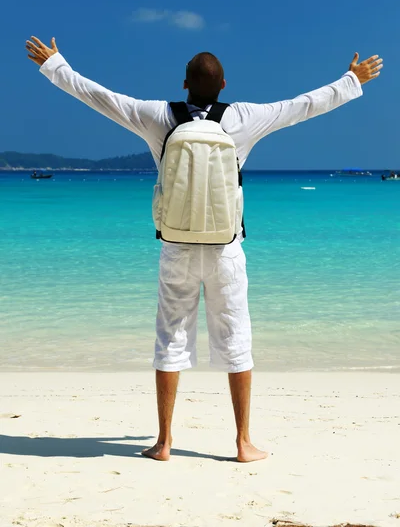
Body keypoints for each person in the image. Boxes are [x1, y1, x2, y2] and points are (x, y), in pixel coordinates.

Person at [26, 36, 383, 462]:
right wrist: (351, 79)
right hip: (225, 249)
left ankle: (163, 442)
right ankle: (243, 442)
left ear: (184, 84)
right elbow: (303, 105)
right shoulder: (245, 118)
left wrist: (55, 65)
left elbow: (98, 96)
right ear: (224, 85)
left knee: (170, 338)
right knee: (236, 339)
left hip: (176, 246)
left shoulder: (157, 116)